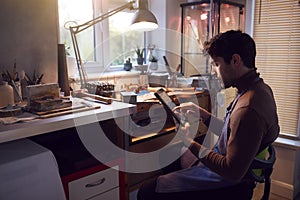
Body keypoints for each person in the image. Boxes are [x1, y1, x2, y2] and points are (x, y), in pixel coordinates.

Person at [137, 30, 280, 200]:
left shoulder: (248, 109)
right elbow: (236, 133)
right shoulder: (259, 89)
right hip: (239, 170)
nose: (213, 71)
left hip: (231, 183)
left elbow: (231, 171)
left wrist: (188, 141)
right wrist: (204, 115)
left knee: (147, 191)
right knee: (167, 155)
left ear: (235, 60)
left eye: (216, 64)